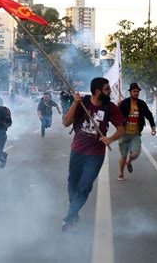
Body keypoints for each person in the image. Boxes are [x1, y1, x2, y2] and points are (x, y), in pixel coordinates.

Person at [61, 77, 125, 232]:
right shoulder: (82, 102)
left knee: (84, 187)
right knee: (72, 186)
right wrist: (75, 103)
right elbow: (65, 122)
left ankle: (69, 217)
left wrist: (109, 138)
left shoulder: (110, 107)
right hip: (77, 151)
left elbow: (121, 129)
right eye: (107, 89)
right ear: (97, 91)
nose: (110, 91)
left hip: (95, 155)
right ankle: (74, 213)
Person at [117, 83, 156, 181]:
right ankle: (121, 173)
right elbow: (116, 115)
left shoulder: (142, 104)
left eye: (137, 92)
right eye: (134, 91)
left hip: (135, 134)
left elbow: (149, 115)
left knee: (135, 154)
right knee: (123, 155)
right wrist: (118, 106)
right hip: (124, 133)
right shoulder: (124, 103)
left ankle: (129, 162)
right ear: (130, 92)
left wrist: (153, 126)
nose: (136, 93)